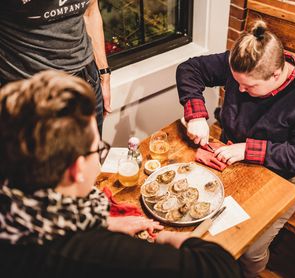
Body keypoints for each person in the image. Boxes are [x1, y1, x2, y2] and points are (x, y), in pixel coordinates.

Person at [0, 70, 241, 278]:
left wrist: (106, 222)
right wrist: (167, 240)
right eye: (98, 149)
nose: (100, 158)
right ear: (76, 170)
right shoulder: (91, 255)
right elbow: (221, 268)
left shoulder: (12, 197)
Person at [176, 20, 295, 277]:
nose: (239, 89)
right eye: (237, 82)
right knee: (201, 215)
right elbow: (190, 69)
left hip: (285, 172)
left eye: (249, 86)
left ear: (276, 74)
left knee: (250, 248)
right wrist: (195, 114)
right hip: (233, 152)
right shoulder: (242, 63)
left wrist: (247, 150)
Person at [0, 0, 111, 134]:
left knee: (92, 153)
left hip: (86, 81)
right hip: (30, 94)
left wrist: (104, 74)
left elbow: (90, 11)